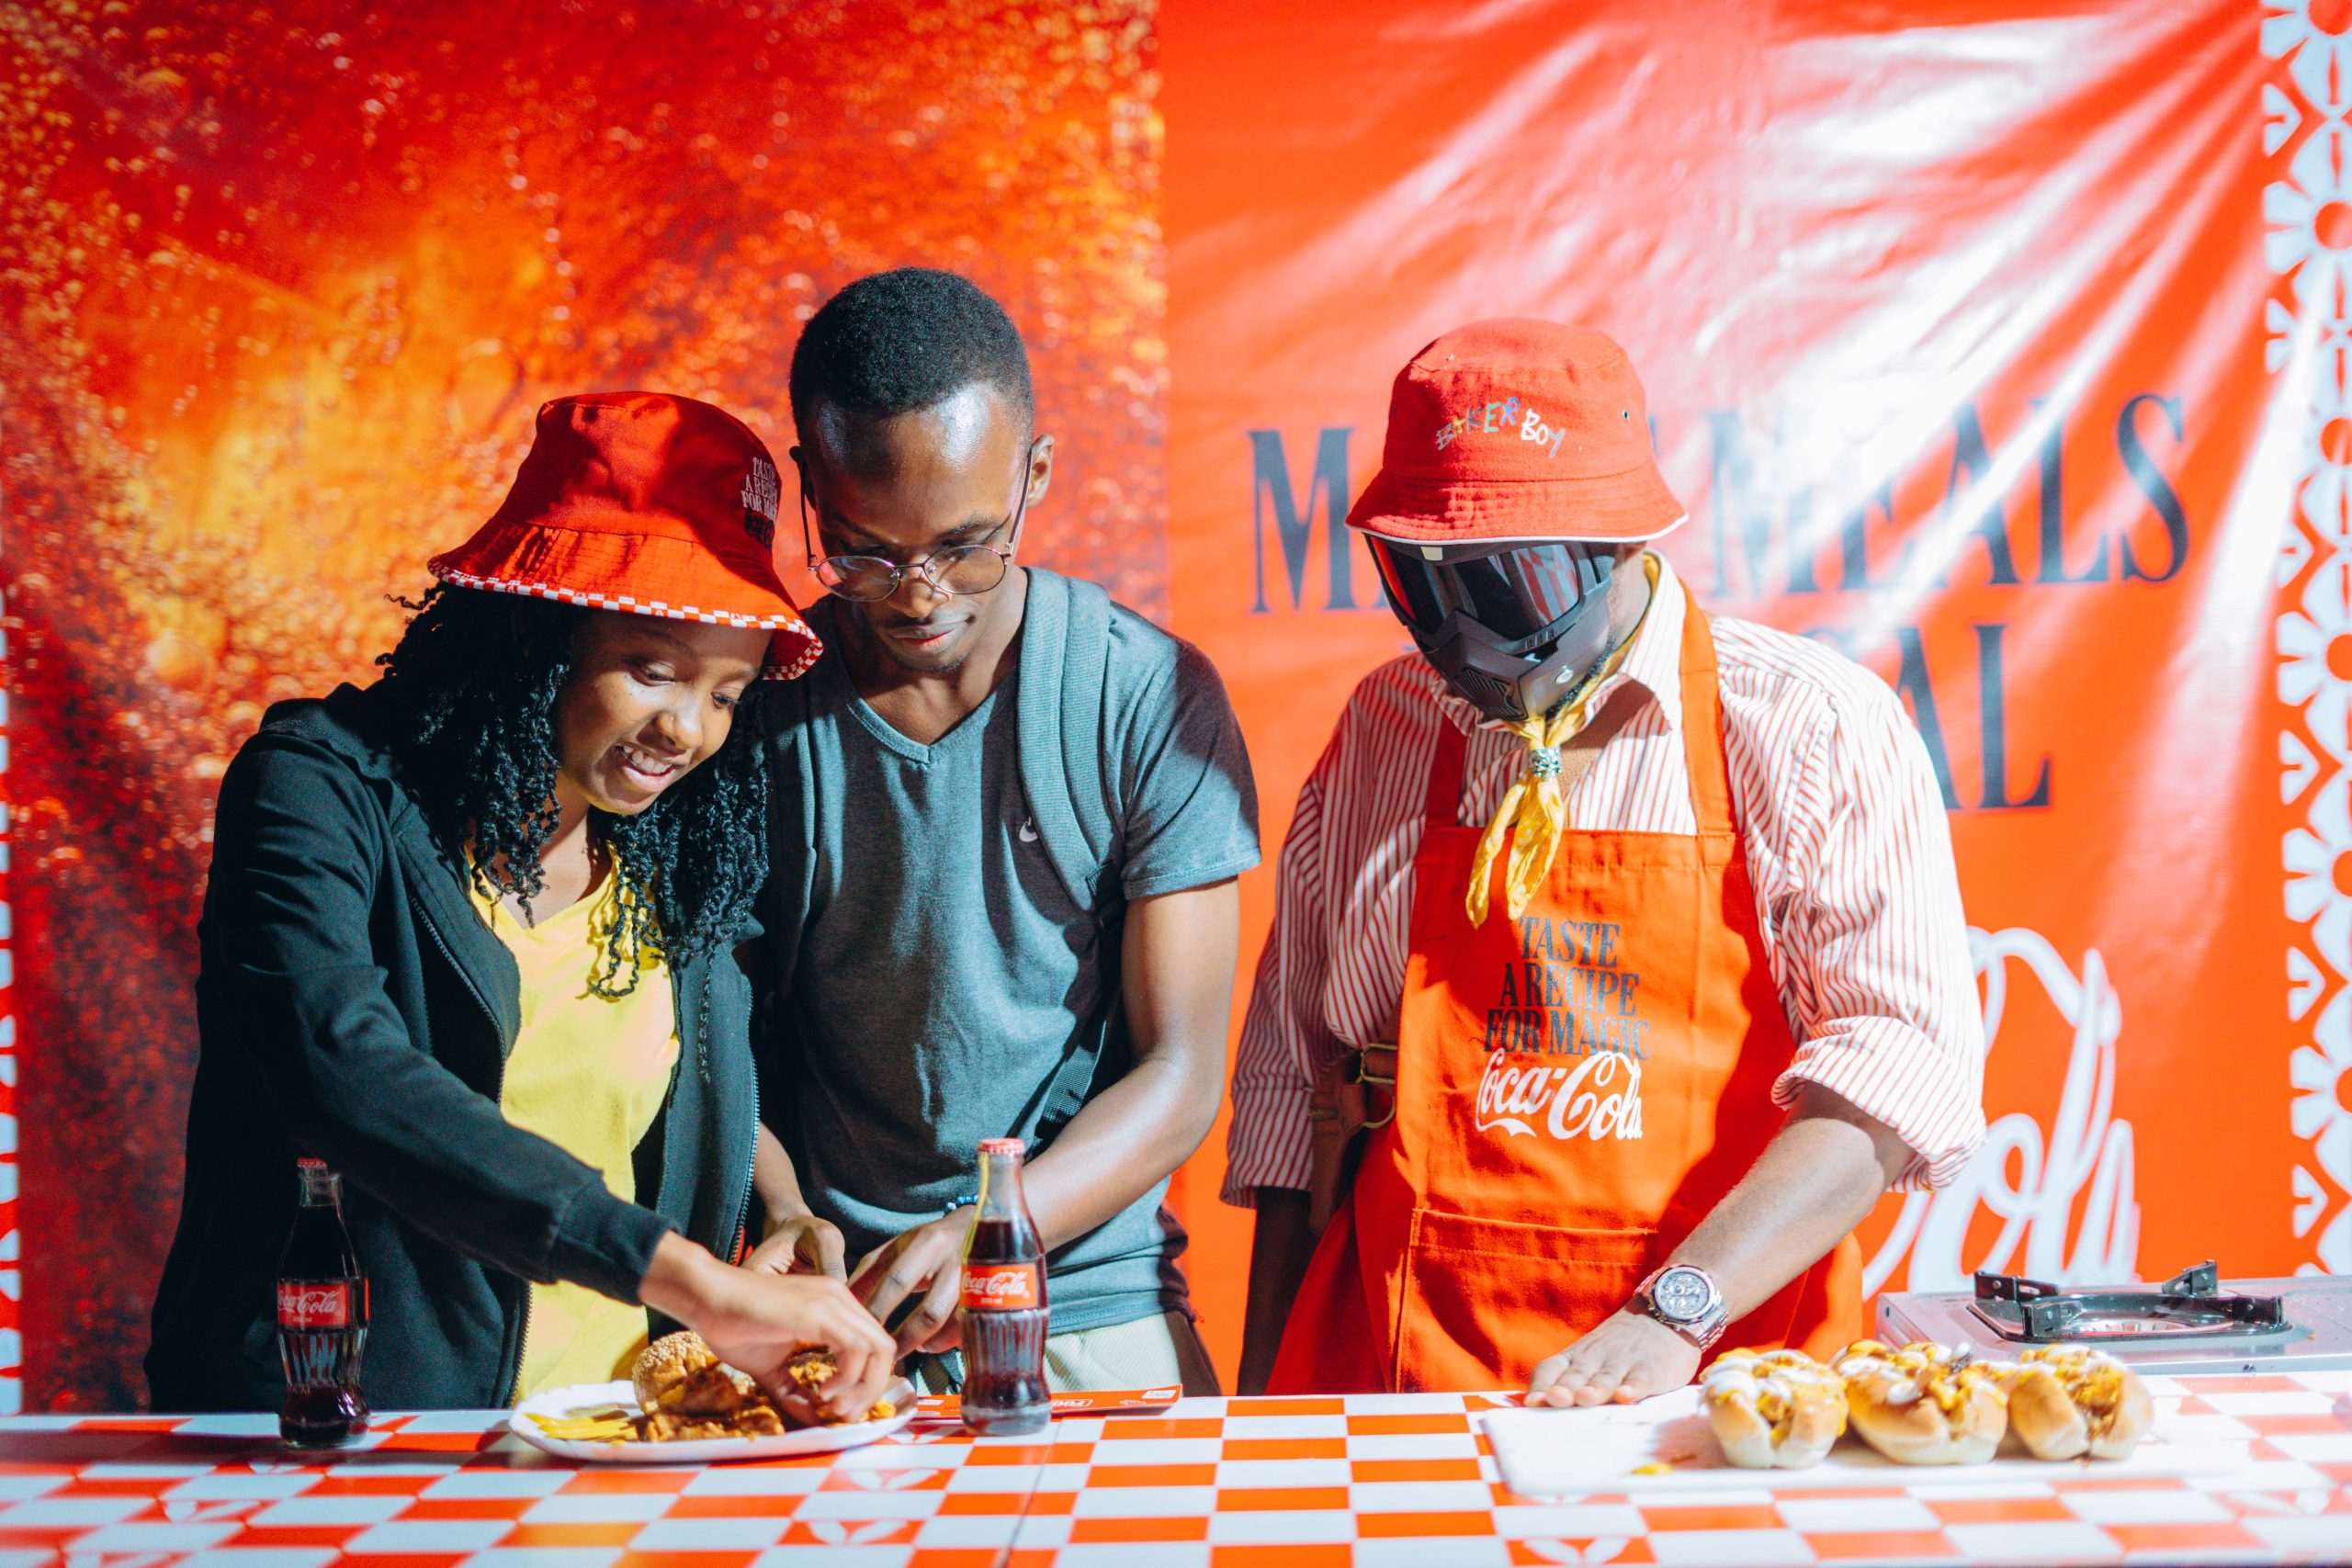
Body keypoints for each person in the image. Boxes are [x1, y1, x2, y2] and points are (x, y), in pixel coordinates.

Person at [1224, 321, 1987, 1400]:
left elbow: (1894, 1080)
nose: (1455, 639)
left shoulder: (1807, 727)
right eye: (1417, 582)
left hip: (1720, 1388)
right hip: (1408, 1379)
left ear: (1620, 546)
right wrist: (1260, 1406)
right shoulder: (1389, 725)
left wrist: (1673, 1315)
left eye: (1502, 588)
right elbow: (1298, 1086)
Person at [149, 392, 896, 1416]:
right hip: (345, 1437)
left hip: (605, 1436)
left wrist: (778, 1206)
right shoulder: (317, 791)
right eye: (650, 668)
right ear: (536, 638)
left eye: (726, 694)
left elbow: (672, 1080)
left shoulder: (664, 856)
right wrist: (688, 1277)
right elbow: (343, 1073)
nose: (686, 729)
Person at [748, 268, 1259, 1394]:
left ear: (1035, 473)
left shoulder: (1145, 696)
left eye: (967, 545)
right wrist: (781, 1214)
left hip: (1083, 1288)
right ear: (810, 488)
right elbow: (704, 1039)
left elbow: (1180, 1074)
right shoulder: (751, 710)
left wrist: (997, 1224)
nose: (920, 593)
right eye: (864, 551)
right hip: (839, 1322)